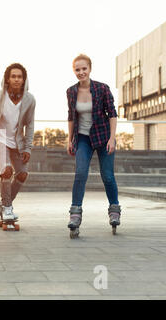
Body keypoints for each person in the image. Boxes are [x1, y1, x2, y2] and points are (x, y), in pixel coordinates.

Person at [66, 54, 121, 237]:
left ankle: (114, 211)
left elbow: (112, 114)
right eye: (77, 69)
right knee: (80, 173)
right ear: (74, 71)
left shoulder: (102, 89)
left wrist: (112, 138)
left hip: (103, 136)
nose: (81, 72)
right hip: (83, 138)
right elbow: (72, 116)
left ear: (90, 69)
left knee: (107, 175)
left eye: (84, 68)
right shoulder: (71, 91)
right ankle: (75, 214)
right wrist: (69, 139)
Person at [0, 63, 35, 224]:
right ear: (7, 78)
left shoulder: (29, 99)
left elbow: (30, 125)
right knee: (6, 171)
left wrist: (28, 147)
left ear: (24, 79)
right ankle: (7, 208)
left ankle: (4, 203)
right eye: (13, 76)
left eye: (19, 76)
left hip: (18, 142)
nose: (16, 79)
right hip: (0, 139)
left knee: (22, 174)